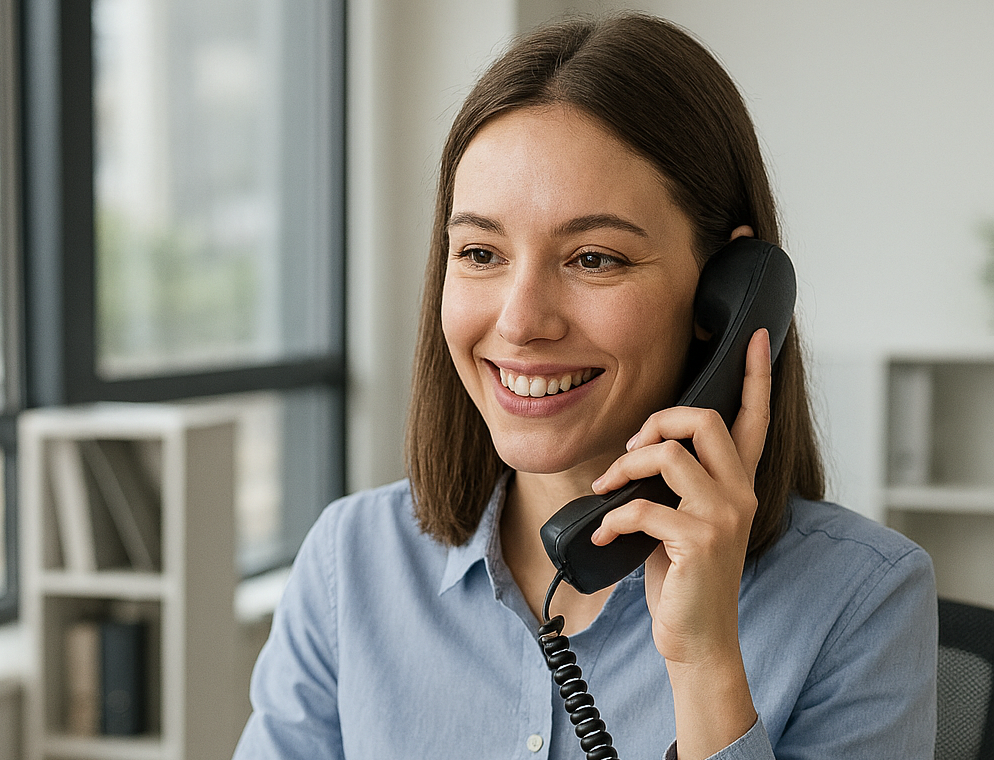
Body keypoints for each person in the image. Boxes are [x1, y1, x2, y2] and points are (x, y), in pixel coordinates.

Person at [233, 13, 937, 760]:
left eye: (594, 258)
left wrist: (704, 667)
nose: (521, 320)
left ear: (727, 295)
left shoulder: (865, 598)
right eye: (479, 252)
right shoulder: (351, 564)